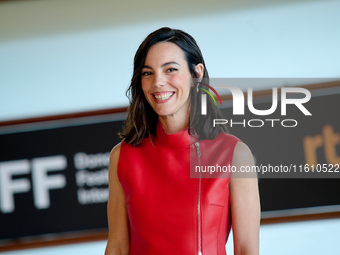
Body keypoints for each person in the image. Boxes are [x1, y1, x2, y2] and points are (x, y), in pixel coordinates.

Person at [105, 27, 260, 255]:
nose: (158, 82)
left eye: (170, 70)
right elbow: (117, 247)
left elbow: (247, 250)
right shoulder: (122, 156)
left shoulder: (235, 154)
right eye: (148, 73)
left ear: (196, 74)